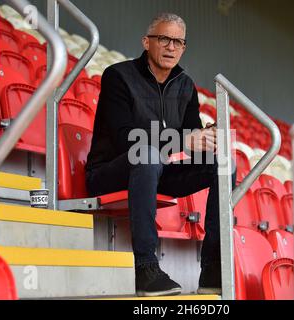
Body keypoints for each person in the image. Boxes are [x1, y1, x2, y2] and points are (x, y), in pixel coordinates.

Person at [85, 13, 234, 297]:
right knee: (146, 154)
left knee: (224, 163)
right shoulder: (118, 75)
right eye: (164, 38)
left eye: (178, 42)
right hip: (110, 171)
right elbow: (126, 138)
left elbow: (191, 135)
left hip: (156, 171)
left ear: (184, 47)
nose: (171, 47)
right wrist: (183, 139)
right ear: (146, 42)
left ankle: (213, 268)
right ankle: (146, 267)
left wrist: (208, 139)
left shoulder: (186, 86)